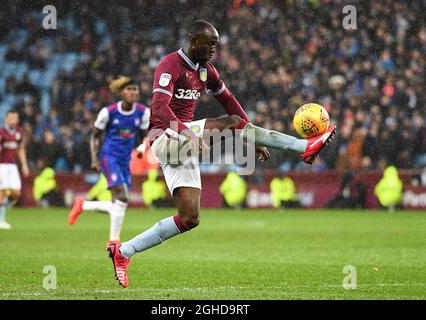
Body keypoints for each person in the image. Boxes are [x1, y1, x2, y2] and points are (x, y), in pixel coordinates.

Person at [107, 20, 336, 288]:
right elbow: (158, 109)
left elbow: (229, 101)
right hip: (165, 137)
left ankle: (123, 252)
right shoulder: (169, 65)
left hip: (181, 145)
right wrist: (188, 132)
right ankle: (302, 147)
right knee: (229, 123)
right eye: (211, 43)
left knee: (190, 218)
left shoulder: (206, 71)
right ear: (194, 42)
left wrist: (250, 135)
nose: (215, 48)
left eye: (216, 43)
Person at [67, 76, 150, 242]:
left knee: (119, 203)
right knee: (123, 197)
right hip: (109, 157)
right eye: (129, 89)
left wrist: (142, 147)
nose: (133, 92)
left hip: (126, 160)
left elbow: (143, 136)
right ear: (121, 92)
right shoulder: (109, 112)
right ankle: (114, 241)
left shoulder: (143, 112)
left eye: (135, 89)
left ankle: (83, 205)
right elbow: (95, 136)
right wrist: (94, 159)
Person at [0, 110, 30, 229]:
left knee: (16, 193)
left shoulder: (19, 132)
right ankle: (1, 220)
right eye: (11, 118)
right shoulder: (0, 133)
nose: (14, 120)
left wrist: (24, 165)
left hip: (12, 166)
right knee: (2, 191)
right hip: (1, 165)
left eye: (15, 118)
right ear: (6, 119)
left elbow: (21, 149)